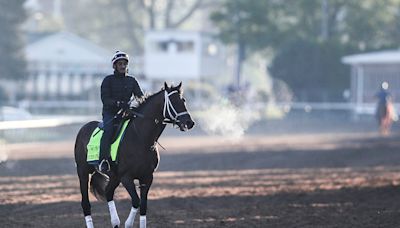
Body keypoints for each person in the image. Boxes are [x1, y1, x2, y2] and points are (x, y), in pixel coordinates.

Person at [97, 50, 144, 172]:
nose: (123, 66)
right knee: (108, 131)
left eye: (124, 64)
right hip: (110, 114)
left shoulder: (132, 80)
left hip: (127, 112)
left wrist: (134, 106)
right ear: (115, 66)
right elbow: (105, 99)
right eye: (120, 64)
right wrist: (118, 104)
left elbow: (140, 97)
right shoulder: (107, 80)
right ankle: (103, 160)